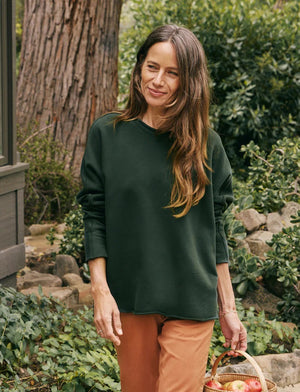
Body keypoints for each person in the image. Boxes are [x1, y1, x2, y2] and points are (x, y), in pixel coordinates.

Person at [77, 24, 247, 392]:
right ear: (139, 68)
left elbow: (213, 231)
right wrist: (101, 291)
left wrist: (228, 310)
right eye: (152, 67)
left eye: (172, 73)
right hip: (132, 297)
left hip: (190, 299)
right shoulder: (107, 135)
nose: (158, 80)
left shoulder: (208, 146)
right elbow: (94, 216)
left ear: (189, 83)